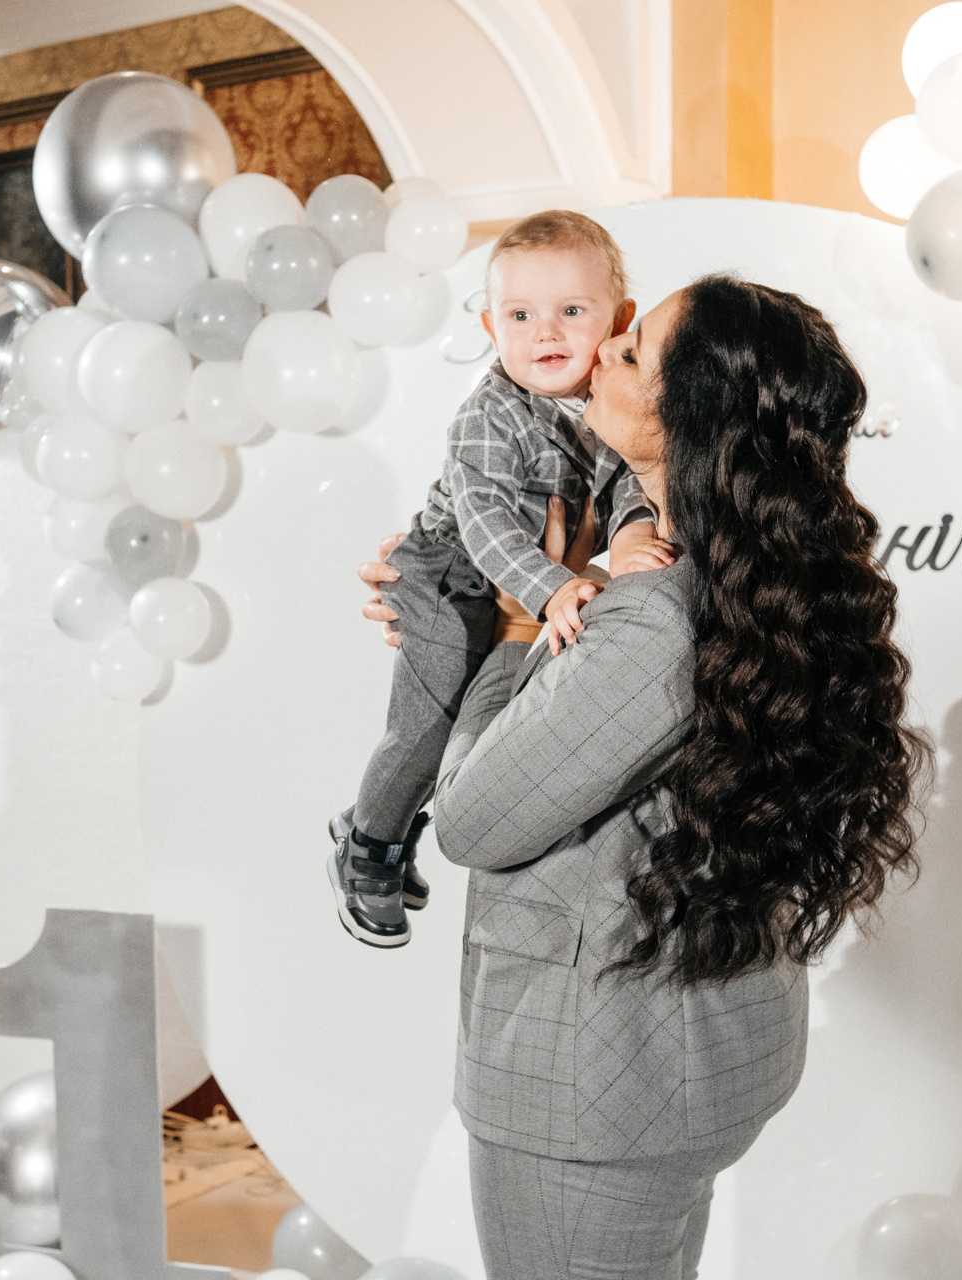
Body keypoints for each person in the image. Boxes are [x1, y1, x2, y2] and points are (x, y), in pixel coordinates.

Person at [359, 275, 927, 1277]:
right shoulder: (751, 577)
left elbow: (471, 821)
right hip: (689, 1055)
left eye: (630, 352)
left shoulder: (652, 619)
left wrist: (515, 626)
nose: (598, 352)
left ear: (687, 419)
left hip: (597, 1089)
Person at [328, 210, 670, 949]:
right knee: (430, 720)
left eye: (571, 311)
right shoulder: (489, 415)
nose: (545, 332)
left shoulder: (602, 409)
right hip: (450, 572)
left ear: (620, 321)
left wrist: (632, 539)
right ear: (489, 326)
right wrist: (552, 587)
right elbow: (485, 525)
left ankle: (387, 819)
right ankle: (369, 846)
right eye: (520, 316)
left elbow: (622, 492)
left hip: (520, 579)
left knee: (478, 724)